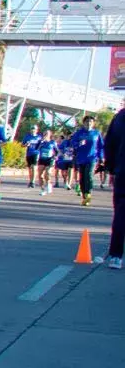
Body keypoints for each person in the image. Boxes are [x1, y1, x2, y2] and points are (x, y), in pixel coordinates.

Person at [105, 100, 125, 269]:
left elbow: (109, 144)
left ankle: (116, 254)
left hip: (122, 171)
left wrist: (111, 169)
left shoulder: (119, 117)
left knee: (120, 213)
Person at [67, 115, 104, 207]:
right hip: (81, 158)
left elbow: (100, 146)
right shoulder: (79, 133)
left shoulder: (96, 133)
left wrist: (101, 157)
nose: (89, 123)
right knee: (82, 178)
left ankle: (88, 193)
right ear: (84, 123)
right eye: (87, 121)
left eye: (91, 122)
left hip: (92, 158)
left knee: (89, 175)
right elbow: (72, 144)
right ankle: (84, 195)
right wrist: (79, 143)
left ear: (93, 123)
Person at [36, 129, 58, 196]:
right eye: (44, 133)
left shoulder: (52, 142)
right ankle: (43, 190)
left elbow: (57, 151)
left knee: (47, 173)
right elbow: (36, 148)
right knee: (40, 175)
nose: (45, 134)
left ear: (50, 134)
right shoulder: (41, 142)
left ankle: (48, 184)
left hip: (49, 159)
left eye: (47, 133)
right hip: (42, 159)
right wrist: (41, 142)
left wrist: (55, 157)